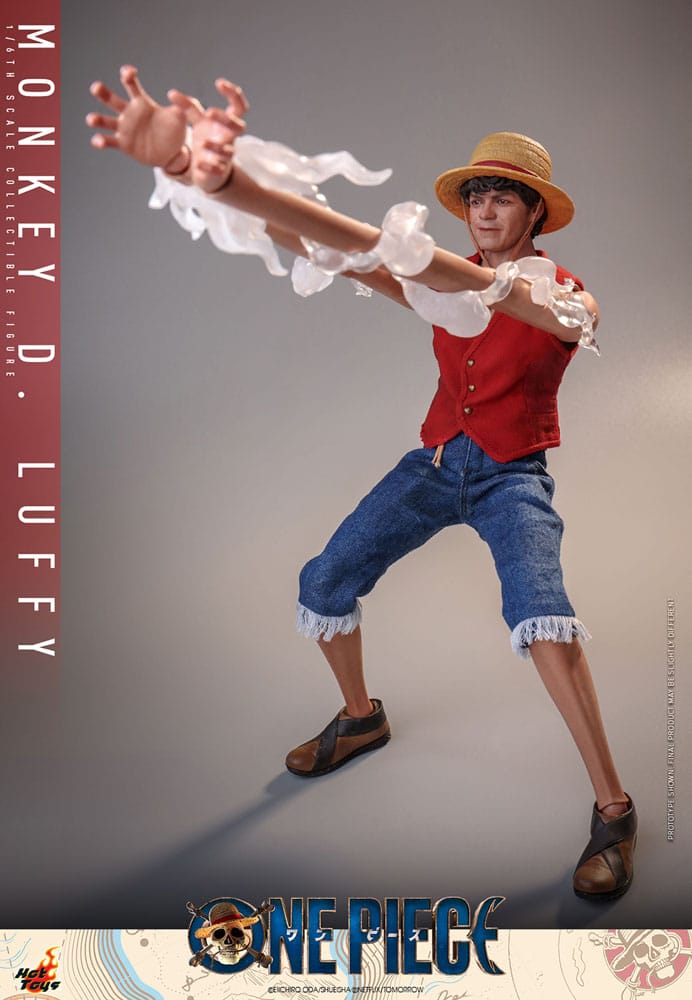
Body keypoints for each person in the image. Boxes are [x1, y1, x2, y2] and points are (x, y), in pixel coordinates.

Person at [87, 66, 637, 901]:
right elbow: (345, 251)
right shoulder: (445, 280)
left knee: (543, 618)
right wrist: (214, 182)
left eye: (503, 197)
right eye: (476, 197)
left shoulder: (563, 297)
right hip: (436, 464)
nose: (486, 210)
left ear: (534, 213)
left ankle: (614, 809)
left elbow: (510, 300)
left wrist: (414, 261)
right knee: (325, 581)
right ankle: (360, 718)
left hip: (510, 475)